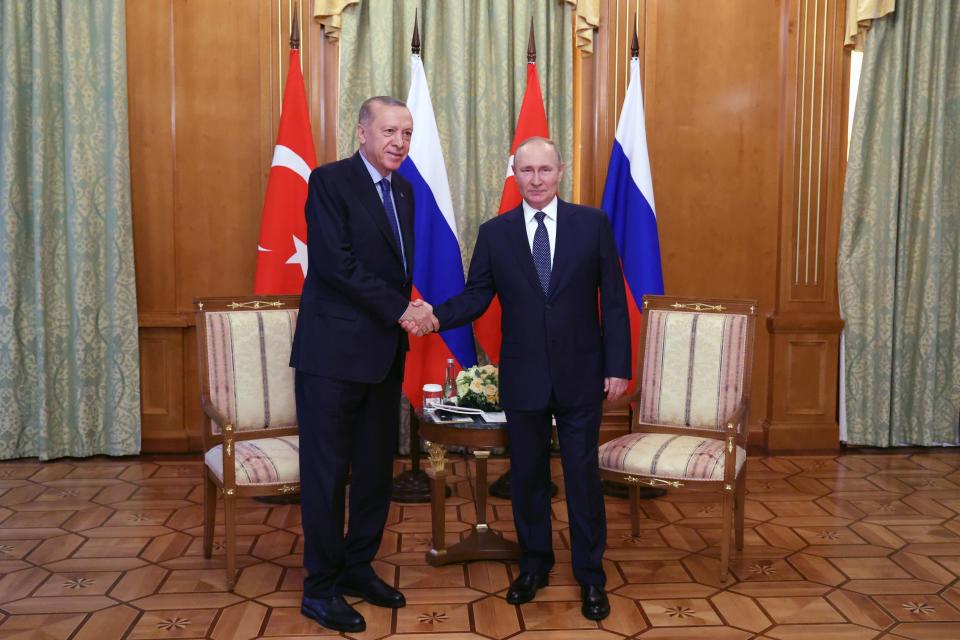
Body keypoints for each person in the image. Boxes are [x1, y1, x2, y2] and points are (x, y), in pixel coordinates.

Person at [403, 136, 630, 621]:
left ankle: (591, 578)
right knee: (527, 478)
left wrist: (618, 366)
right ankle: (534, 568)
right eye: (526, 171)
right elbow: (477, 296)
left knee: (582, 479)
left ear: (560, 171)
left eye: (544, 170)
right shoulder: (496, 232)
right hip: (524, 378)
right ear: (515, 172)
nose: (536, 180)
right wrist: (434, 317)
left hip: (581, 375)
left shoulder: (591, 225)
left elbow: (612, 299)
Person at [290, 95, 437, 633]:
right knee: (328, 476)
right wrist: (405, 310)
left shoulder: (405, 191)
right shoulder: (329, 182)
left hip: (382, 356)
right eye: (390, 132)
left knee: (376, 472)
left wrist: (411, 311)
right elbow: (336, 265)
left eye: (407, 133)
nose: (399, 142)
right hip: (331, 358)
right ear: (362, 133)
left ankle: (357, 567)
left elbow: (396, 273)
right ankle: (320, 587)